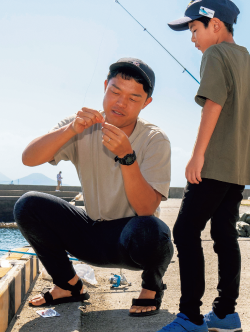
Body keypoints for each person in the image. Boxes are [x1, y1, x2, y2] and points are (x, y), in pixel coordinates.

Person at [146, 0, 250, 332]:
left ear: (215, 25)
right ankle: (224, 313)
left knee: (185, 232)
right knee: (224, 235)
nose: (192, 38)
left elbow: (213, 104)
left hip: (217, 162)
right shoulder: (248, 59)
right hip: (240, 166)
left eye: (194, 29)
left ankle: (190, 317)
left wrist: (197, 155)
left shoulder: (215, 53)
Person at [15, 57, 174, 316]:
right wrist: (70, 130)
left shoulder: (154, 139)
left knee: (154, 230)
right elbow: (28, 158)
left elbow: (146, 207)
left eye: (134, 98)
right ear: (104, 87)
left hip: (131, 240)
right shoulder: (81, 126)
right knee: (28, 205)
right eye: (115, 91)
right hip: (90, 233)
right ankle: (68, 285)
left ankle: (152, 288)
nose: (121, 103)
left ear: (147, 103)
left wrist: (127, 157)